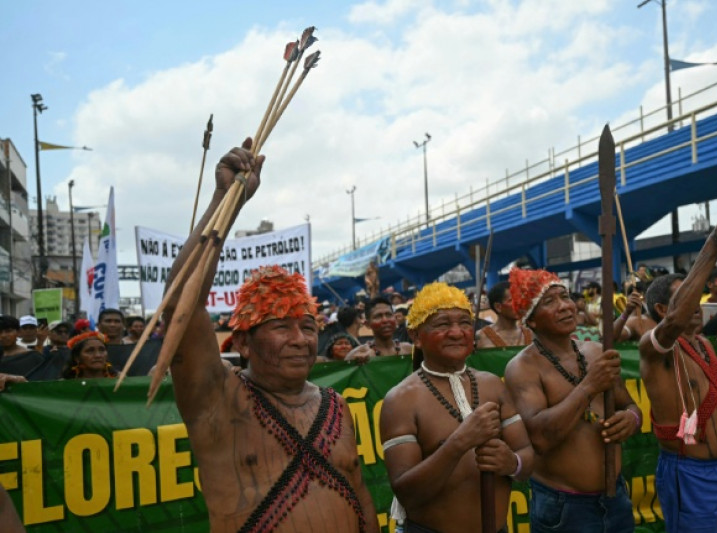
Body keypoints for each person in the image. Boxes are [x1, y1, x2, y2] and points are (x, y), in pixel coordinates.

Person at [163, 140, 376, 531]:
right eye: (280, 327)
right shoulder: (216, 398)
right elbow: (181, 305)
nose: (300, 339)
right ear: (243, 343)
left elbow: (359, 493)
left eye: (307, 327)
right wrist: (226, 202)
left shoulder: (336, 405)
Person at [379, 282, 533, 533]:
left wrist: (512, 463)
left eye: (464, 323)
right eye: (442, 324)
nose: (456, 332)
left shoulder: (493, 385)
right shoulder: (400, 400)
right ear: (416, 336)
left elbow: (527, 458)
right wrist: (460, 442)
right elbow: (408, 494)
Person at [641, 216, 717, 532]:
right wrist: (713, 246)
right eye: (686, 296)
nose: (696, 302)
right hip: (690, 472)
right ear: (661, 310)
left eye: (696, 294)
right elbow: (674, 323)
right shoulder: (654, 350)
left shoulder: (706, 345)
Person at [504, 267, 642, 532]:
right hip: (564, 509)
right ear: (531, 321)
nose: (565, 306)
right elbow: (539, 439)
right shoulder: (522, 368)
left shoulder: (595, 351)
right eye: (549, 301)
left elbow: (630, 405)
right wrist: (588, 386)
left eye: (565, 296)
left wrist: (631, 419)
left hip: (616, 497)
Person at [345, 296, 413, 363]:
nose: (385, 320)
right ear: (367, 324)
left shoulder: (409, 350)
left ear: (395, 319)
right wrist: (355, 364)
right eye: (378, 316)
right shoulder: (356, 355)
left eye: (389, 315)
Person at [476, 281, 533, 348]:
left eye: (518, 299)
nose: (518, 304)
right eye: (511, 300)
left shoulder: (530, 335)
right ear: (498, 307)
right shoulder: (481, 337)